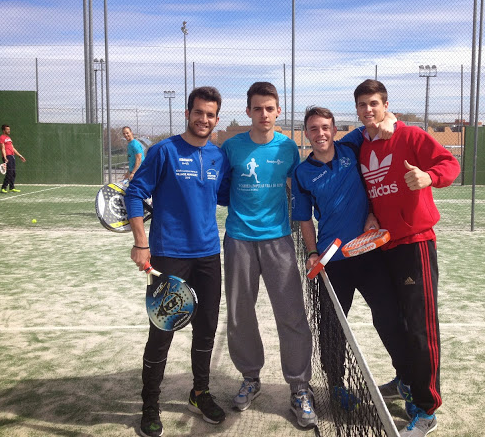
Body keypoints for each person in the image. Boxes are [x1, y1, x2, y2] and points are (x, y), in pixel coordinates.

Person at [354, 79, 460, 437]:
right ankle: (406, 380)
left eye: (374, 104)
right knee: (387, 319)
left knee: (420, 327)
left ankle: (427, 410)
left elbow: (449, 164)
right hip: (382, 246)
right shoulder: (362, 145)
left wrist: (428, 177)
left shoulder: (411, 136)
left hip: (415, 243)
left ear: (385, 105)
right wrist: (370, 212)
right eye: (362, 105)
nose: (368, 110)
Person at [124, 86, 231, 437]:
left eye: (210, 115)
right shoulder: (163, 151)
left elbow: (230, 194)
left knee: (207, 328)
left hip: (208, 256)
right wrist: (141, 243)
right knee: (162, 333)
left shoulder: (218, 156)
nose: (204, 119)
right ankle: (150, 405)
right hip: (169, 255)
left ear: (216, 118)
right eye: (198, 112)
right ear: (188, 114)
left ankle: (199, 394)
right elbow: (135, 193)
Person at [291, 105, 410, 409]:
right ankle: (336, 386)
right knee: (333, 326)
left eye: (326, 127)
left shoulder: (351, 147)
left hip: (368, 254)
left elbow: (381, 119)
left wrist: (393, 119)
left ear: (334, 130)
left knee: (388, 316)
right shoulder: (303, 173)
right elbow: (305, 219)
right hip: (333, 263)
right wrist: (313, 253)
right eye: (314, 128)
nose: (321, 133)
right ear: (307, 133)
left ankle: (406, 378)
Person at [221, 82, 316, 429]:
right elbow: (214, 189)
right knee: (239, 315)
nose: (264, 114)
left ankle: (299, 387)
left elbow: (301, 191)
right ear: (248, 111)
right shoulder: (230, 147)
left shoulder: (288, 148)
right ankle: (250, 377)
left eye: (270, 108)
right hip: (238, 241)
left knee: (291, 315)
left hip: (278, 241)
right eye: (257, 108)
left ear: (278, 111)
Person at [0, 124, 26, 193]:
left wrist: (20, 156)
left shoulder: (9, 138)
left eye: (9, 129)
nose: (9, 130)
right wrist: (5, 157)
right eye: (7, 129)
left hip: (12, 156)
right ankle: (3, 188)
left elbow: (12, 148)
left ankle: (11, 187)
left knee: (13, 173)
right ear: (4, 130)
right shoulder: (1, 138)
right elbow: (3, 149)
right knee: (9, 172)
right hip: (7, 156)